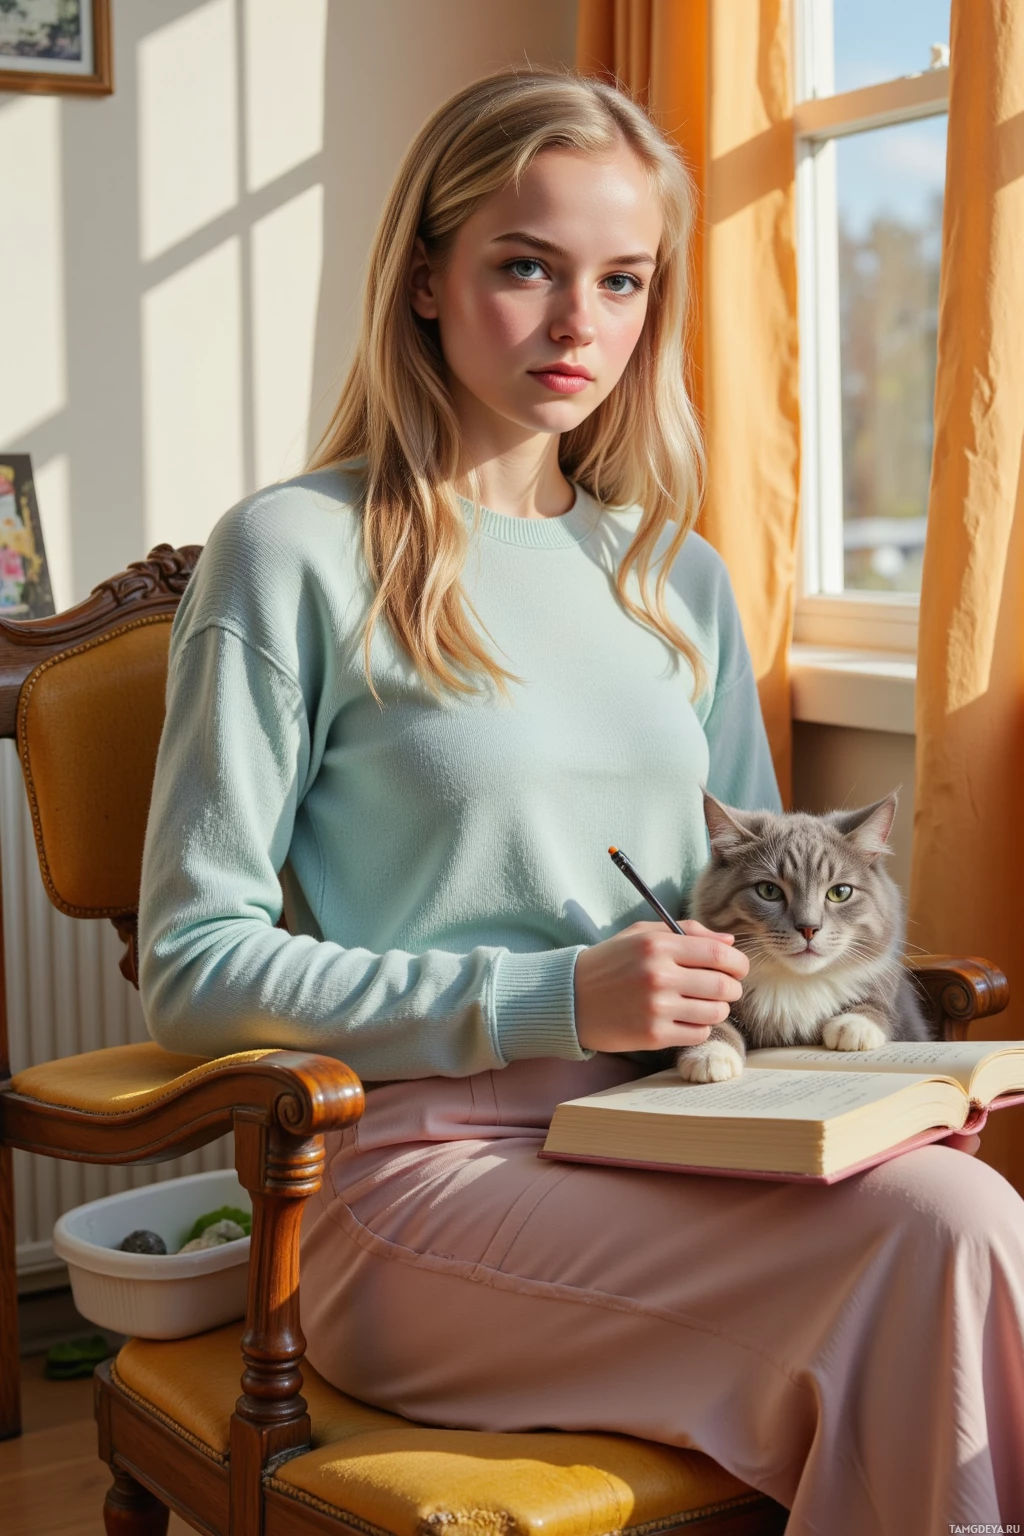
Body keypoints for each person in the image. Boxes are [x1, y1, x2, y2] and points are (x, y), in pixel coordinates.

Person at [137, 68, 1024, 1535]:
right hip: (419, 1183)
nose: (578, 325)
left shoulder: (673, 575)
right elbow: (192, 968)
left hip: (680, 1134)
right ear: (424, 277)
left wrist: (865, 1072)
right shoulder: (291, 553)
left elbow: (747, 906)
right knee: (928, 1270)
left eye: (622, 280)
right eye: (526, 268)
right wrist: (556, 998)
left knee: (967, 1218)